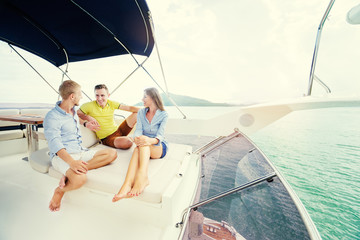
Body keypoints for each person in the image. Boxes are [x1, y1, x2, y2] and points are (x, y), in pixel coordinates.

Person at [44, 80, 117, 212]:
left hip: (80, 152)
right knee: (80, 180)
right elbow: (55, 144)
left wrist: (85, 123)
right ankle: (60, 191)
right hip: (62, 157)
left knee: (112, 154)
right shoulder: (52, 117)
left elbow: (77, 121)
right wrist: (71, 163)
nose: (81, 96)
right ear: (72, 96)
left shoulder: (73, 111)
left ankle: (69, 174)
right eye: (79, 94)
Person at [112, 88, 168, 202]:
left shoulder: (163, 114)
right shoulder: (142, 112)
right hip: (143, 144)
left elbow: (160, 136)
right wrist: (137, 138)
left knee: (141, 145)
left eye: (145, 97)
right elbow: (138, 130)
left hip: (158, 145)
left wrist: (148, 140)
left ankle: (141, 178)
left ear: (152, 97)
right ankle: (128, 184)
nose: (142, 99)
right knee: (139, 147)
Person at [77, 84, 139, 149]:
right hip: (107, 138)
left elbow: (129, 108)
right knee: (128, 142)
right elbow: (74, 115)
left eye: (102, 95)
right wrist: (87, 119)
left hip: (119, 130)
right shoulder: (88, 106)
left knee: (137, 114)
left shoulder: (111, 103)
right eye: (97, 95)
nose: (99, 98)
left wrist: (148, 109)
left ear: (108, 95)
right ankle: (128, 139)